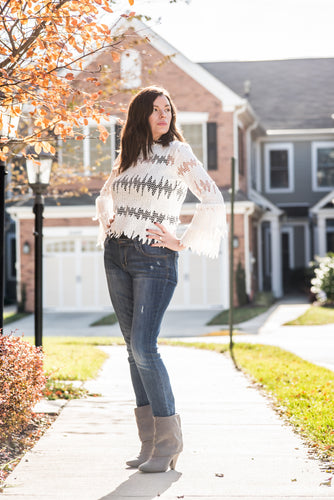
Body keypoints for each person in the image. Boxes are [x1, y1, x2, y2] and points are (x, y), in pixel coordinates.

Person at [95, 86, 227, 473]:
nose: (163, 115)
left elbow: (212, 197)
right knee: (130, 350)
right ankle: (149, 444)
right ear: (140, 115)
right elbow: (105, 197)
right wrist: (109, 224)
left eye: (167, 109)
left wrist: (181, 241)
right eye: (155, 110)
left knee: (144, 347)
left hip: (154, 258)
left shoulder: (178, 153)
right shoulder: (129, 155)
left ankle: (168, 444)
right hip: (116, 255)